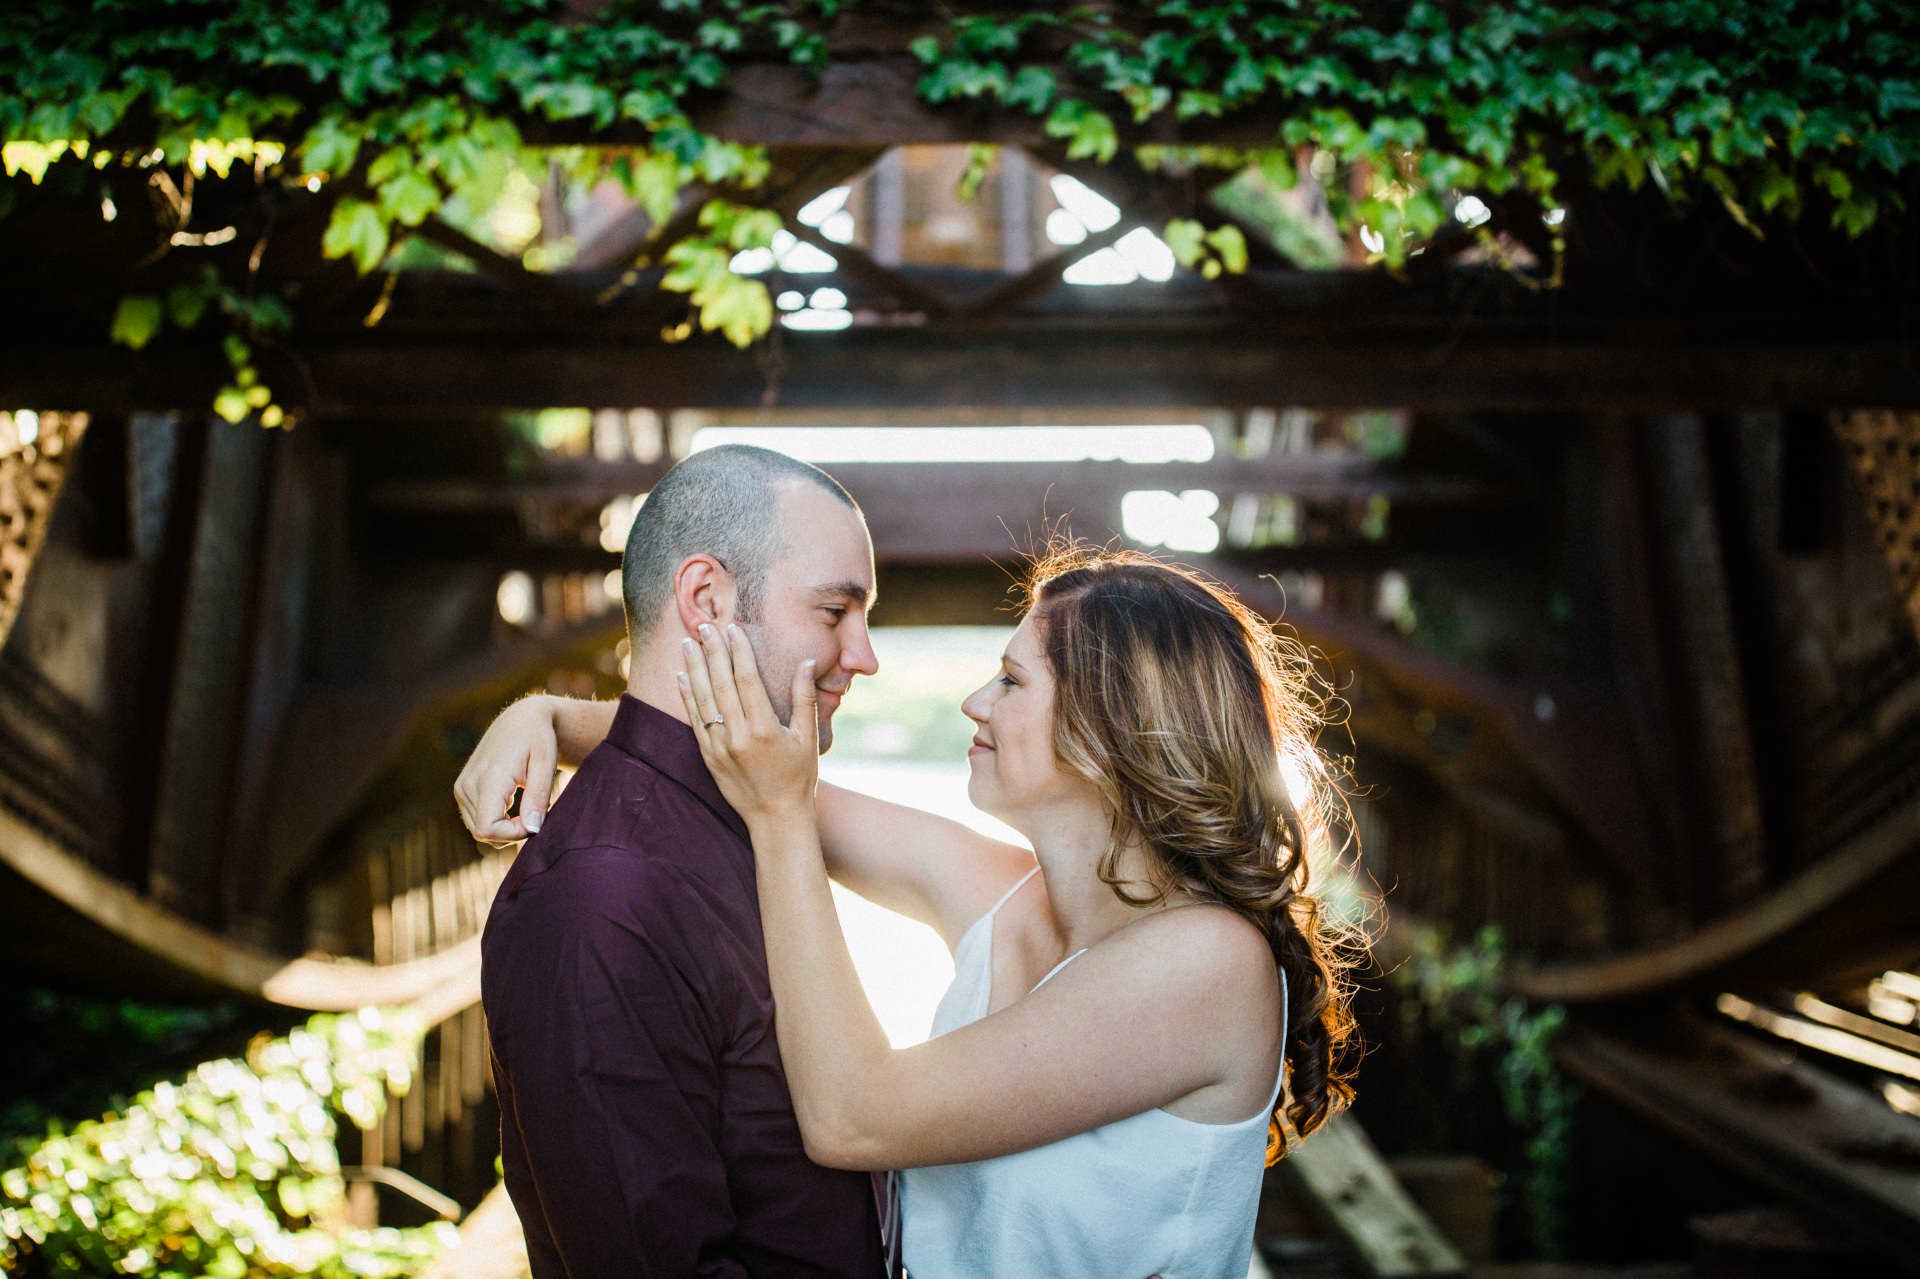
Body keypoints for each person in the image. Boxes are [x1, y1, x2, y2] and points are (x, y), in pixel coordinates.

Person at [465, 540, 1361, 1278]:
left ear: (1108, 727)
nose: (975, 701)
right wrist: (547, 717)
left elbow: (851, 1114)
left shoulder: (1206, 963)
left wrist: (779, 819)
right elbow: (746, 763)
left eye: (1011, 681)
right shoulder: (1005, 892)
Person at [473, 444, 889, 1278]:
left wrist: (555, 712)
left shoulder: (760, 806)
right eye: (836, 612)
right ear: (706, 598)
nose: (865, 656)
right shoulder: (601, 897)